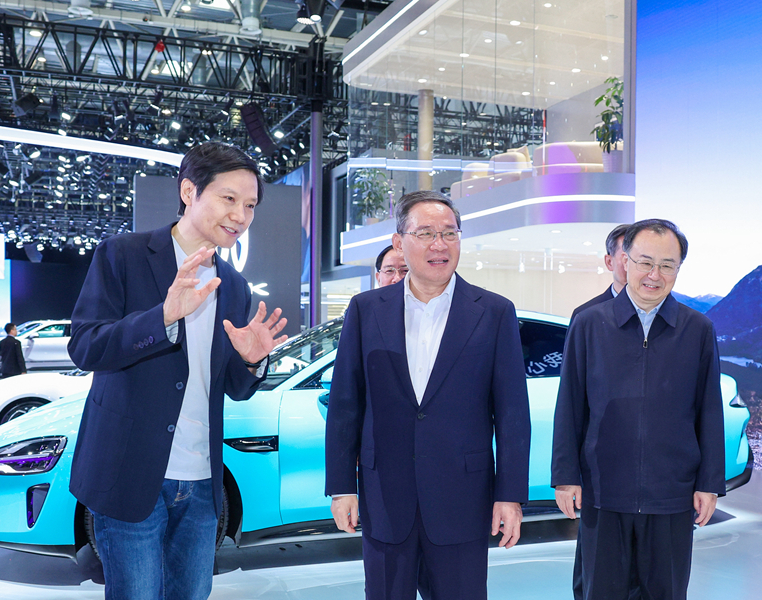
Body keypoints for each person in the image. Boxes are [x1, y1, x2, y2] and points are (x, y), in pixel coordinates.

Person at [67, 142, 288, 600]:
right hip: (130, 471)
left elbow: (234, 387)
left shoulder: (235, 286)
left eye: (250, 205)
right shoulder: (122, 255)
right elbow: (86, 348)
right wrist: (163, 317)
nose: (241, 216)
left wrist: (252, 360)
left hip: (203, 481)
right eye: (229, 199)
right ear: (190, 191)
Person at [325, 190, 531, 600]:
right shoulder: (366, 310)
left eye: (449, 233)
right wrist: (342, 486)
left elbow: (512, 413)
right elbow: (346, 403)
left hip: (463, 498)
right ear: (399, 242)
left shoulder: (494, 312)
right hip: (385, 496)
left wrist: (510, 496)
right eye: (426, 233)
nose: (440, 244)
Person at [552, 219, 725, 600]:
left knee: (666, 591)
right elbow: (570, 405)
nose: (654, 275)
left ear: (678, 269)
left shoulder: (697, 329)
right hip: (604, 489)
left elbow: (710, 411)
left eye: (667, 265)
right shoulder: (589, 323)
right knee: (600, 590)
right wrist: (565, 476)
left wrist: (709, 483)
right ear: (625, 261)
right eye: (645, 262)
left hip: (672, 493)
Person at [569, 223, 637, 600]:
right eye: (628, 255)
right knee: (596, 571)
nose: (636, 264)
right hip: (601, 469)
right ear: (610, 261)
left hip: (654, 477)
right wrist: (569, 474)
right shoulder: (586, 316)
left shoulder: (680, 321)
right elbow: (573, 400)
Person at [571, 223, 629, 321]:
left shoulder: (656, 311)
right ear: (609, 262)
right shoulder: (585, 316)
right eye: (626, 258)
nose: (634, 265)